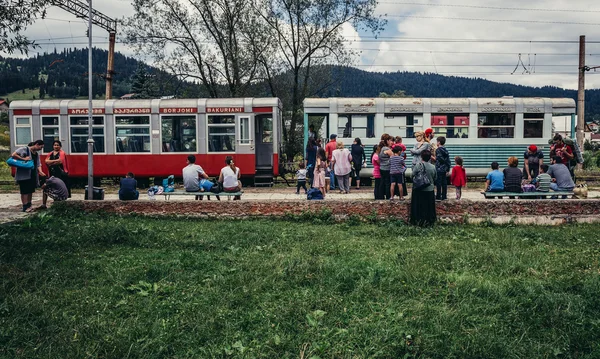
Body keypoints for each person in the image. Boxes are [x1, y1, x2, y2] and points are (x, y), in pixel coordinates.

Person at [11, 140, 45, 212]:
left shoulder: (36, 154)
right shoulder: (24, 149)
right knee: (24, 191)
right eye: (40, 147)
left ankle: (29, 205)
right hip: (23, 174)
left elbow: (38, 164)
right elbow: (13, 155)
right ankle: (25, 206)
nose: (40, 149)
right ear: (37, 144)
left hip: (32, 174)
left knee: (30, 190)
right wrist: (23, 159)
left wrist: (40, 171)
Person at [409, 150, 437, 227]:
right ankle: (429, 221)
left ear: (421, 157)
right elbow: (435, 177)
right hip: (429, 190)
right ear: (429, 158)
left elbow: (412, 176)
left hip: (419, 190)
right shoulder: (433, 167)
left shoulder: (418, 165)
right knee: (429, 207)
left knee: (419, 206)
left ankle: (417, 220)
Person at [434, 136, 450, 201]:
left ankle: (438, 196)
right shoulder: (446, 150)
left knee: (439, 183)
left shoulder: (438, 150)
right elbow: (448, 160)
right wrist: (448, 169)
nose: (436, 143)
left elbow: (439, 158)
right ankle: (444, 196)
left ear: (439, 142)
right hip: (445, 168)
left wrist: (433, 157)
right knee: (444, 183)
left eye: (437, 141)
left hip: (439, 168)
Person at [378, 134, 394, 200]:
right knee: (388, 183)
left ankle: (380, 196)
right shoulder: (387, 149)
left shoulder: (380, 148)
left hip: (382, 167)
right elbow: (393, 157)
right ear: (387, 141)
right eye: (390, 140)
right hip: (387, 168)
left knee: (382, 182)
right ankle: (388, 196)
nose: (391, 142)